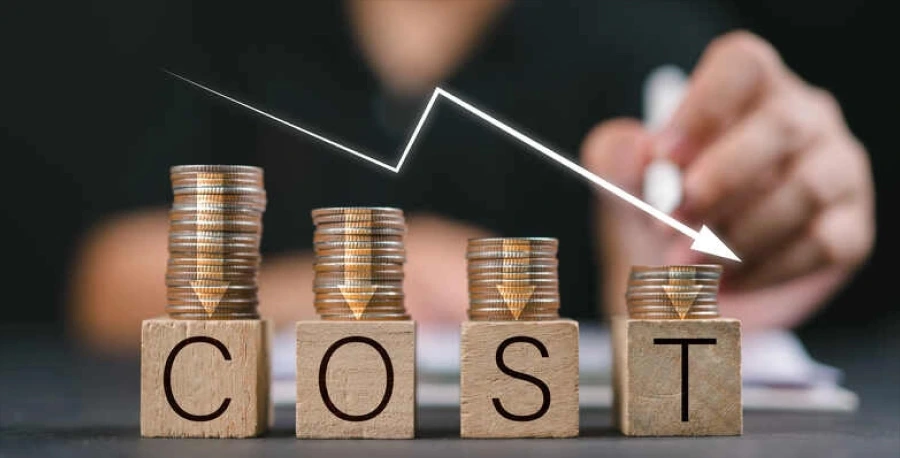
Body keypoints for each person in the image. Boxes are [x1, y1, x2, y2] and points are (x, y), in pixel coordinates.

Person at [67, 0, 873, 352]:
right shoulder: (225, 28)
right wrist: (342, 287)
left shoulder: (640, 32)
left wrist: (774, 216)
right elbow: (105, 279)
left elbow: (703, 249)